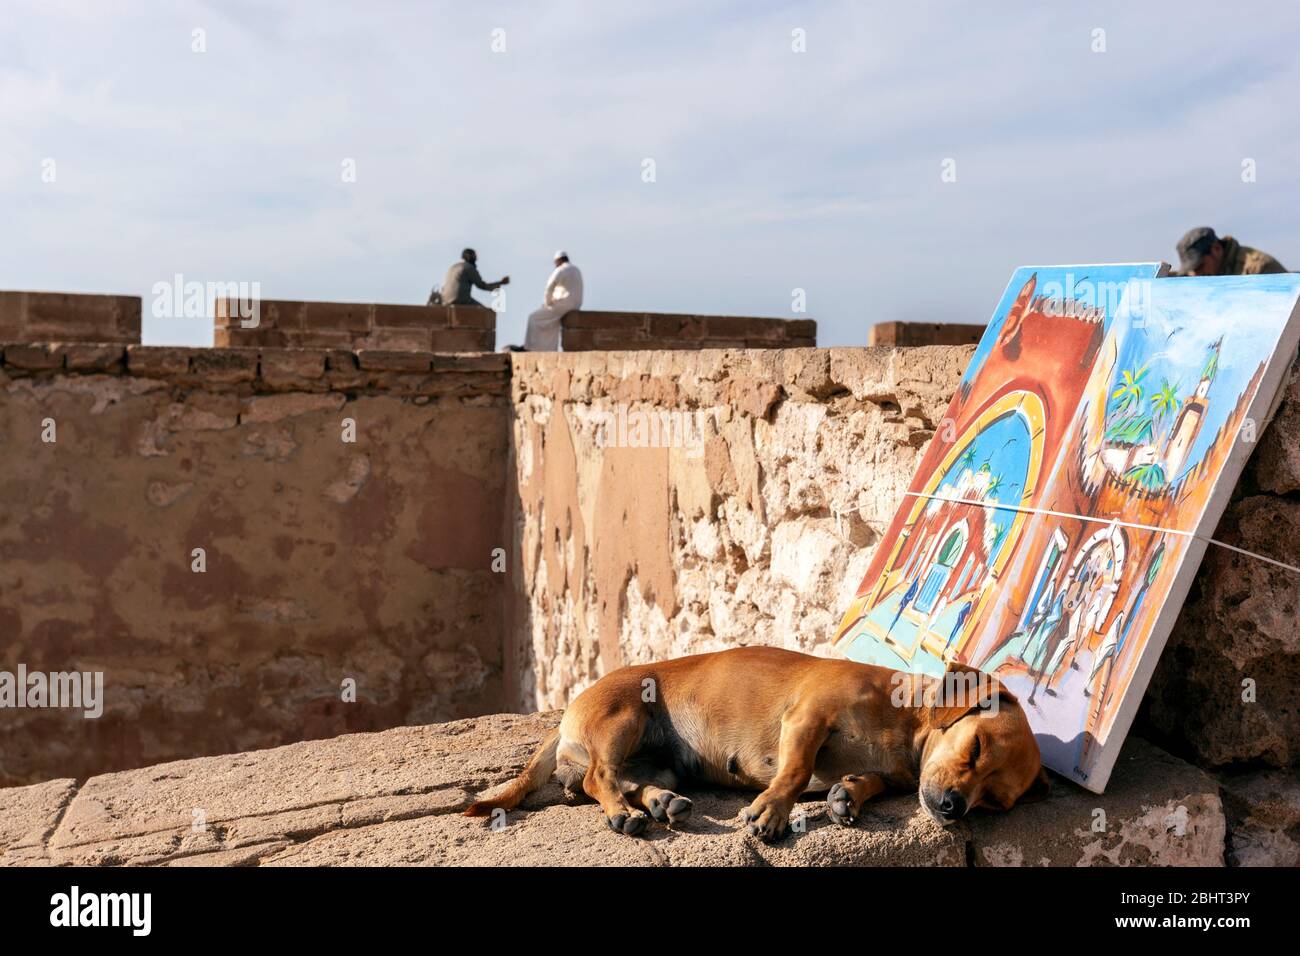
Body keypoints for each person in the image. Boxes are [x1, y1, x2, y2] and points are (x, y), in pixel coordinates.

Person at [510, 251, 584, 352]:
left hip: (563, 304)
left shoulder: (561, 269)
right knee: (552, 322)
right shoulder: (576, 270)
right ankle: (549, 349)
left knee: (533, 317)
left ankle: (529, 347)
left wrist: (547, 303)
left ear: (558, 261)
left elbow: (550, 286)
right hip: (576, 304)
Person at [1174, 227, 1287, 277]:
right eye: (1191, 270)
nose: (1195, 275)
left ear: (1216, 250)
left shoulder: (1258, 268)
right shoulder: (1210, 272)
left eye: (1200, 266)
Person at [434, 248, 509, 308]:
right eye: (474, 256)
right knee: (485, 312)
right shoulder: (469, 268)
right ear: (470, 257)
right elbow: (481, 285)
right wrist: (500, 283)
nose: (476, 259)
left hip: (444, 300)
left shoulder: (453, 267)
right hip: (460, 299)